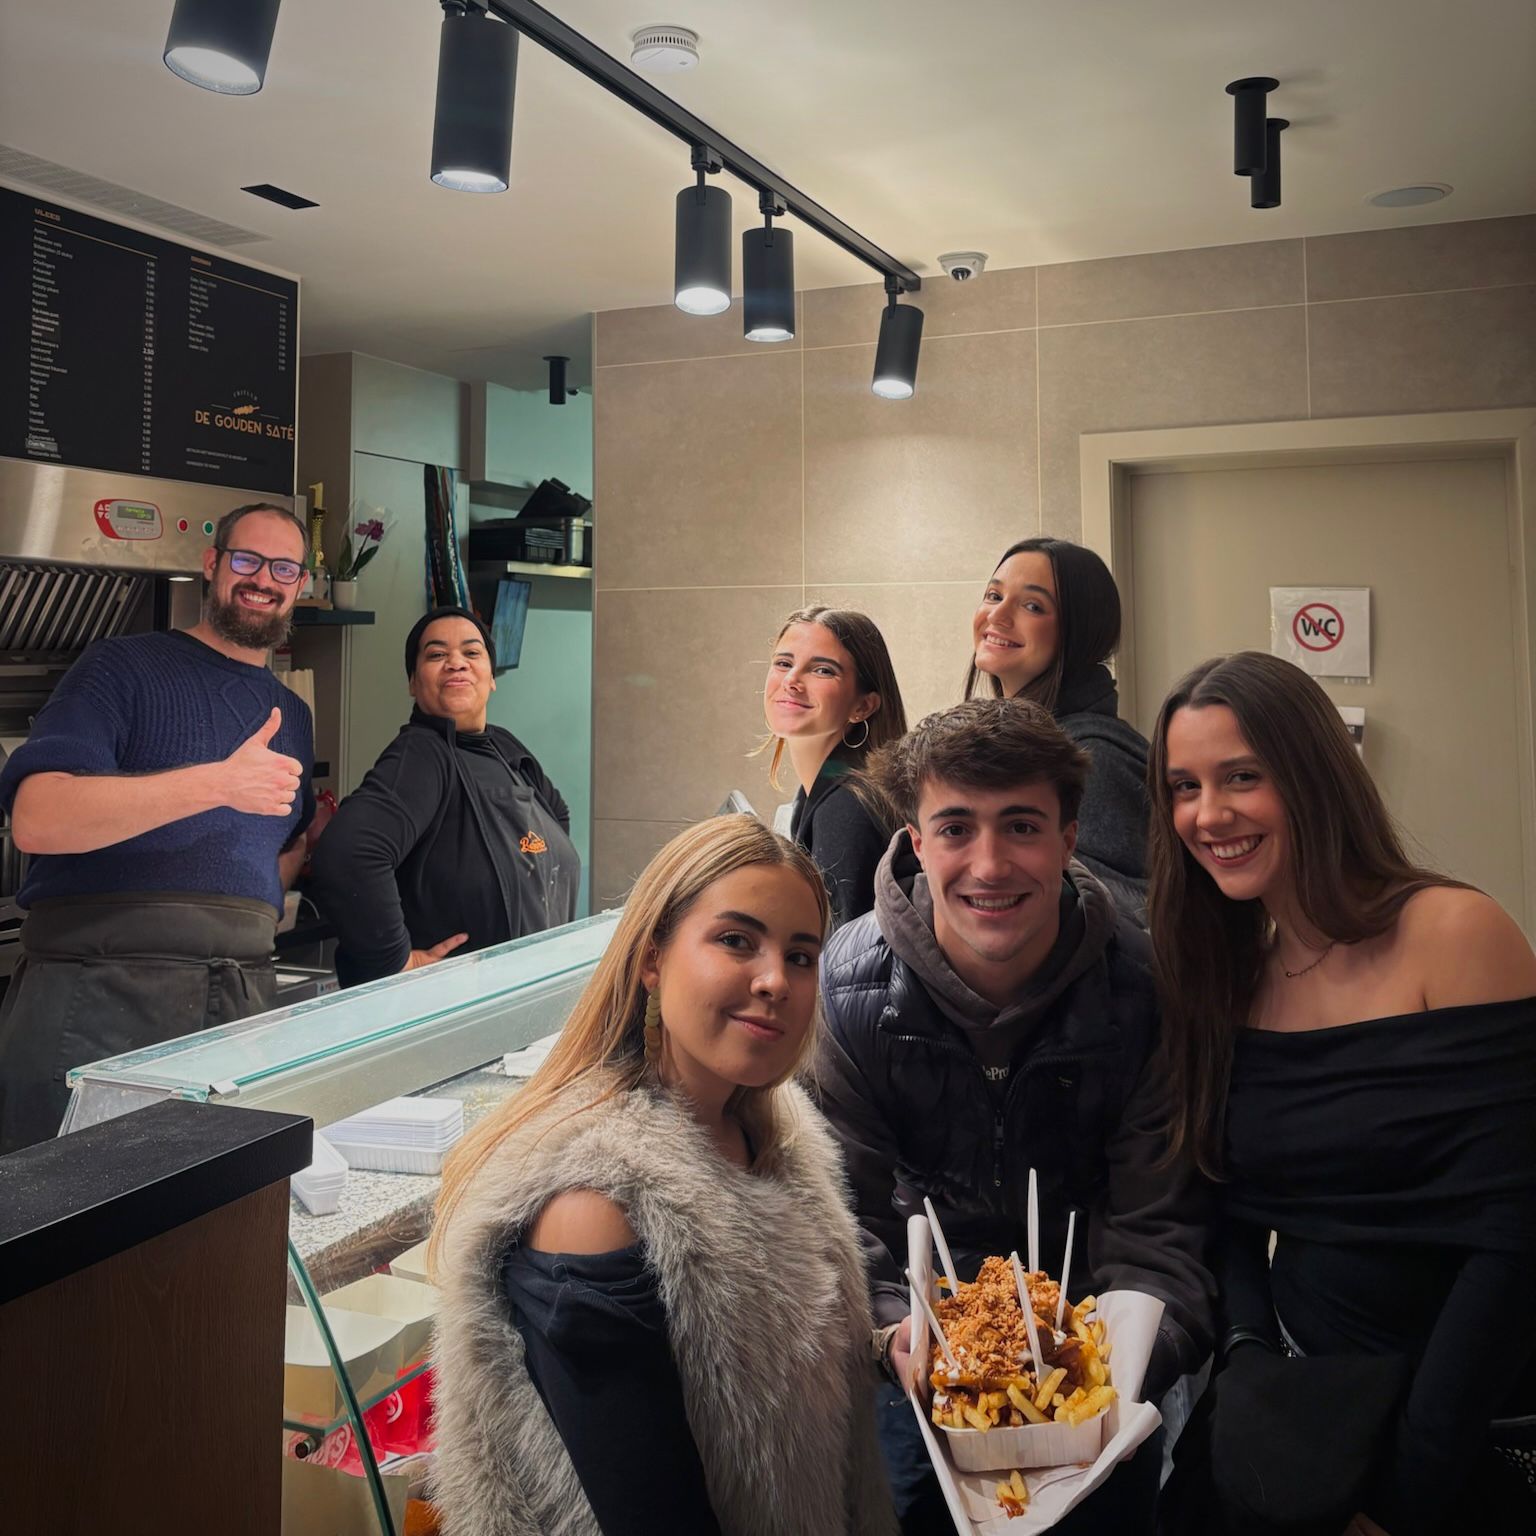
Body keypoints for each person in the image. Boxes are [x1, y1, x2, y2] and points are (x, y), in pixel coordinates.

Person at [1148, 651, 1536, 1536]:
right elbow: (1232, 1212)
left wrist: (1402, 1492)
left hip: (1464, 1425)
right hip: (1307, 1415)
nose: (1209, 814)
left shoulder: (1455, 933)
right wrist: (1249, 1367)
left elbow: (1515, 1241)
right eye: (1183, 786)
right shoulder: (1234, 974)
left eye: (1242, 776)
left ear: (1315, 774)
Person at [428, 815, 896, 1536]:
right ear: (652, 959)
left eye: (801, 956)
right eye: (737, 940)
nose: (775, 980)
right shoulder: (592, 1204)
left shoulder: (775, 1133)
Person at [813, 698, 1213, 1535]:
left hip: (1097, 1348)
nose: (989, 865)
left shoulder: (1143, 990)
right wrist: (893, 1340)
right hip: (922, 1364)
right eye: (955, 828)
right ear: (916, 842)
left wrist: (1119, 1360)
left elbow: (1157, 1224)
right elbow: (844, 1221)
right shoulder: (847, 991)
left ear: (1069, 839)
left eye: (1021, 827)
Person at [0, 502, 315, 1152]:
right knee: (74, 1236)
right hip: (99, 996)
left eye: (283, 566)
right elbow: (37, 818)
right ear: (211, 564)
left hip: (239, 1007)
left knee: (205, 1236)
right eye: (246, 559)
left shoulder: (292, 714)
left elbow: (271, 854)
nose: (263, 579)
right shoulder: (120, 668)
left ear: (301, 585)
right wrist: (217, 784)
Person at [310, 606, 580, 987]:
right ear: (412, 682)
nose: (457, 663)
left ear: (491, 678)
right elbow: (348, 852)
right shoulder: (422, 753)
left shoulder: (506, 748)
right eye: (437, 655)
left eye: (472, 653)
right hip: (451, 1006)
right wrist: (395, 962)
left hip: (527, 995)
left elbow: (556, 818)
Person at [966, 537, 1150, 918]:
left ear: (1078, 632)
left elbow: (1113, 923)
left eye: (1032, 605)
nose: (997, 616)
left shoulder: (1092, 759)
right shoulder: (1019, 748)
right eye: (993, 595)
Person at [761, 604, 906, 927]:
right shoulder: (823, 793)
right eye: (784, 663)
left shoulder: (846, 811)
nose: (792, 680)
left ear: (863, 706)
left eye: (822, 670)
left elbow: (847, 964)